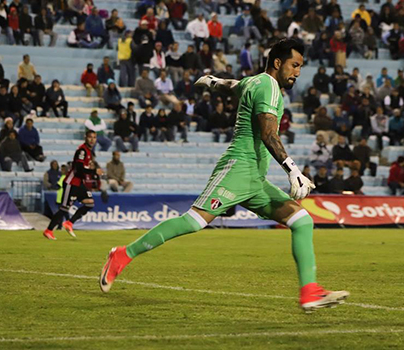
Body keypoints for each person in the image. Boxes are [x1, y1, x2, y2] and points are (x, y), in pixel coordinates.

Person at [99, 39, 349, 312]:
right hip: (237, 168)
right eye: (295, 65)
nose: (298, 72)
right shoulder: (269, 87)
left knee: (302, 221)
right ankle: (123, 254)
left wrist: (212, 81)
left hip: (255, 178)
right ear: (278, 63)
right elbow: (269, 134)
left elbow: (233, 85)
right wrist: (294, 171)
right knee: (194, 222)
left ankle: (309, 291)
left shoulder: (254, 82)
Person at [43, 131, 101, 240]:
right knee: (64, 209)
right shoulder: (82, 151)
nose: (92, 140)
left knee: (89, 203)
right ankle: (48, 230)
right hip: (71, 182)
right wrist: (93, 172)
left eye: (94, 137)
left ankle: (69, 223)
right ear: (85, 138)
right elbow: (79, 169)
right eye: (90, 137)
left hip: (79, 183)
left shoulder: (89, 151)